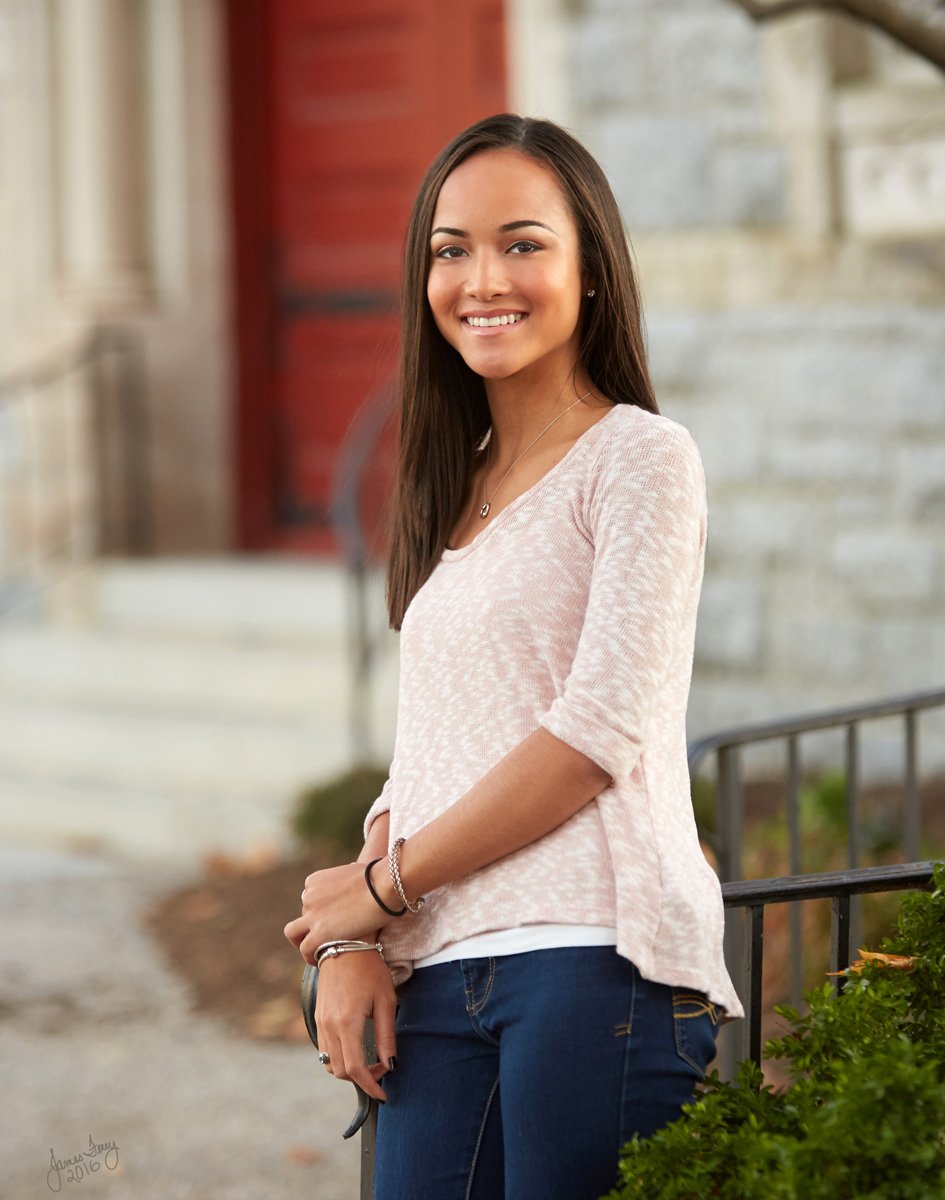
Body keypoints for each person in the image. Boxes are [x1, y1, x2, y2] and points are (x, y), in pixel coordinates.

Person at [284, 113, 743, 1200]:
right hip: (440, 972)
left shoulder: (639, 457)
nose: (482, 278)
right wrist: (352, 939)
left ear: (592, 269)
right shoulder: (459, 485)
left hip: (597, 960)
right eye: (451, 250)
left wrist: (380, 889)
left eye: (523, 243)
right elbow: (424, 756)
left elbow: (597, 732)